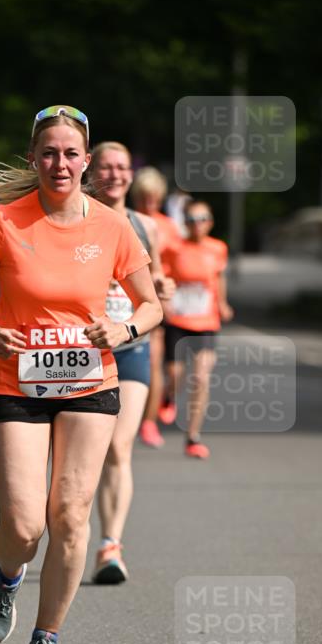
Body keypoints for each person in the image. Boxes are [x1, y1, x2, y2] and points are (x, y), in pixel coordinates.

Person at [0, 105, 162, 644]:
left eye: (70, 154)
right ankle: (8, 576)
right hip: (16, 380)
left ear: (86, 161)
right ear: (33, 159)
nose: (60, 163)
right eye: (49, 153)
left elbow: (151, 304)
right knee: (25, 528)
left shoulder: (112, 226)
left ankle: (46, 640)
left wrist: (124, 330)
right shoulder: (4, 223)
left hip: (90, 380)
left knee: (70, 516)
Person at [86, 142, 173, 584]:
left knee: (119, 447)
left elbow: (152, 283)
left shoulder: (145, 225)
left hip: (132, 345)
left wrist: (163, 286)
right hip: (83, 349)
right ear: (91, 170)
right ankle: (65, 532)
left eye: (123, 167)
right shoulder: (78, 217)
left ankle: (110, 545)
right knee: (83, 453)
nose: (116, 174)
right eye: (107, 166)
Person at [160, 201, 233, 459]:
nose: (197, 224)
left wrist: (222, 303)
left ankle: (193, 436)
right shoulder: (173, 248)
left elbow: (219, 277)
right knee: (175, 375)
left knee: (201, 378)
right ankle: (168, 396)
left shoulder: (218, 248)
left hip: (206, 322)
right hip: (178, 321)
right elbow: (164, 278)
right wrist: (164, 303)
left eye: (202, 218)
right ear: (185, 222)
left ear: (210, 222)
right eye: (191, 219)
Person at [130, 167, 183, 449]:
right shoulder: (125, 219)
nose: (148, 203)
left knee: (154, 362)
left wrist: (171, 295)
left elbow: (179, 266)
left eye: (153, 198)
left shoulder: (168, 227)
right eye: (143, 197)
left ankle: (149, 421)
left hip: (158, 300)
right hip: (127, 299)